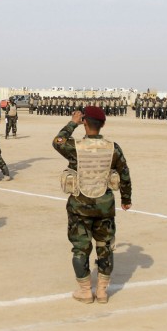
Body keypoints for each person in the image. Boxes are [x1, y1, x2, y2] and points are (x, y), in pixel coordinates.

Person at [52, 106, 132, 304]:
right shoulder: (113, 147)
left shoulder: (76, 147)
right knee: (105, 247)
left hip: (80, 206)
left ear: (84, 122)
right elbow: (124, 174)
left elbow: (58, 141)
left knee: (81, 249)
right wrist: (126, 199)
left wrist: (72, 123)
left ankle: (86, 291)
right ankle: (103, 291)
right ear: (103, 124)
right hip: (105, 206)